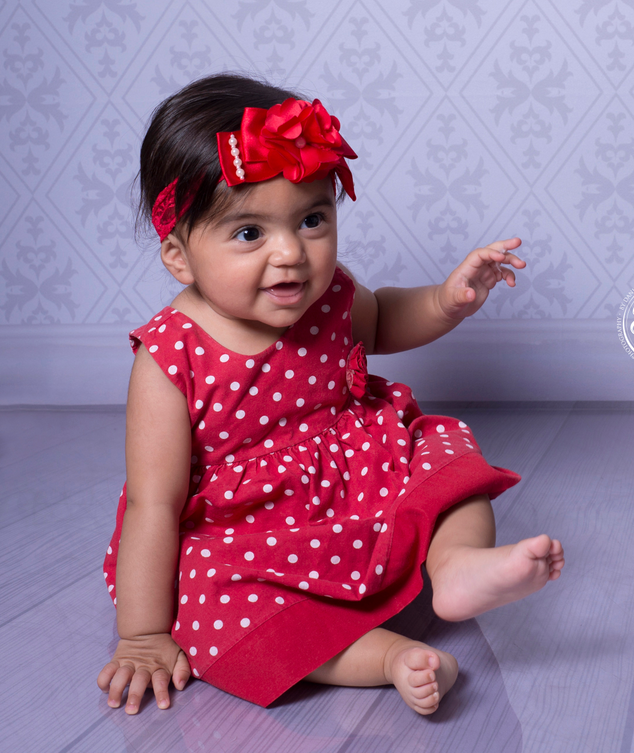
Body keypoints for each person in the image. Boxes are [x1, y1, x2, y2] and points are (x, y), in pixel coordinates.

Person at [95, 74, 565, 716]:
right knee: (209, 610)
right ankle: (389, 657)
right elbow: (154, 503)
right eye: (249, 234)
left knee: (445, 455)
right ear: (179, 256)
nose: (291, 253)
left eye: (312, 219)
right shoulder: (171, 355)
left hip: (361, 469)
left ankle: (458, 566)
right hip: (253, 526)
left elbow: (385, 322)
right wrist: (143, 634)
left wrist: (444, 302)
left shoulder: (330, 293)